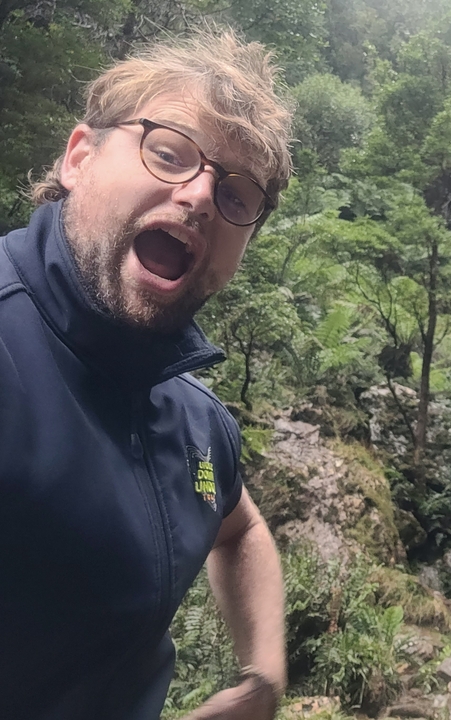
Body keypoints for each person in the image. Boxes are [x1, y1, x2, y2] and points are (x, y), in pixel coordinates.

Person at [0, 31, 294, 719]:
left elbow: (241, 529)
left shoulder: (195, 419)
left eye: (237, 193)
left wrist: (265, 677)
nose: (198, 195)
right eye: (168, 152)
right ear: (79, 156)